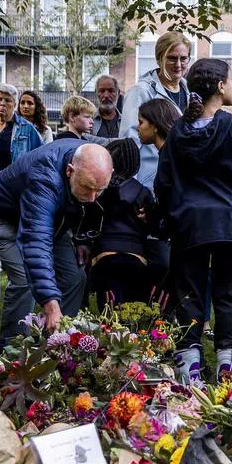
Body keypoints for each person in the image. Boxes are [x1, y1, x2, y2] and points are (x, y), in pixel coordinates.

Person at [155, 58, 232, 383]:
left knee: (188, 296)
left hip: (187, 224)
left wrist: (171, 214)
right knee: (227, 296)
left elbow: (163, 182)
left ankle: (190, 371)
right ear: (220, 86)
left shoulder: (178, 132)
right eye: (230, 80)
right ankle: (227, 369)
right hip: (228, 223)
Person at [0, 141, 113, 348]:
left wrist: (82, 238)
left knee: (74, 277)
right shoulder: (45, 179)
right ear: (69, 170)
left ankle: (57, 343)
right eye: (87, 188)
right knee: (24, 278)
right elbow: (36, 241)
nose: (93, 198)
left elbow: (85, 209)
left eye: (99, 190)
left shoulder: (91, 167)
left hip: (48, 220)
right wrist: (49, 302)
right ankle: (13, 349)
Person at [120, 31, 193, 190]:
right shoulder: (141, 92)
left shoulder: (191, 92)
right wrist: (131, 188)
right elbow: (129, 142)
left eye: (183, 58)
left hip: (181, 181)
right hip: (149, 182)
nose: (178, 64)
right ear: (160, 59)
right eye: (172, 58)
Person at [89, 139, 155, 307]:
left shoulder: (97, 190)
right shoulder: (143, 192)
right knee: (134, 315)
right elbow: (151, 226)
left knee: (108, 315)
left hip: (104, 255)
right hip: (136, 255)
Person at [136, 98, 181, 297]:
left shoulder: (170, 156)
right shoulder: (168, 153)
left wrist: (156, 217)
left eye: (141, 122)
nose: (138, 128)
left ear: (154, 126)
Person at [0, 83, 42, 169]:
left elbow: (42, 156)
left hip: (14, 180)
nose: (2, 103)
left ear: (15, 105)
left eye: (8, 100)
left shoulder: (27, 128)